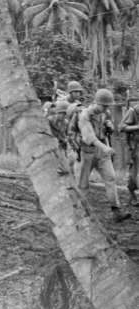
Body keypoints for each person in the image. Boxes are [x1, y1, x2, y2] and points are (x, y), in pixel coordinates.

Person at [78, 89, 131, 222]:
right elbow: (88, 136)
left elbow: (108, 125)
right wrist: (105, 147)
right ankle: (79, 213)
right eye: (104, 105)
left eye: (108, 106)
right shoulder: (85, 115)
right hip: (87, 151)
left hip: (102, 152)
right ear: (96, 102)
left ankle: (116, 211)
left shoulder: (105, 113)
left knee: (111, 178)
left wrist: (109, 125)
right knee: (83, 184)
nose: (107, 108)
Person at [119, 96, 139, 206]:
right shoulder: (132, 112)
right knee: (133, 173)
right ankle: (132, 195)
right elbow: (121, 127)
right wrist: (137, 127)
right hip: (132, 147)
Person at [48, 100, 70, 175]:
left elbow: (66, 135)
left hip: (61, 145)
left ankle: (60, 168)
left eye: (65, 114)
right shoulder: (49, 120)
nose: (63, 115)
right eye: (62, 113)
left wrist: (66, 140)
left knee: (67, 169)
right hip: (49, 145)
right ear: (57, 112)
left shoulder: (66, 123)